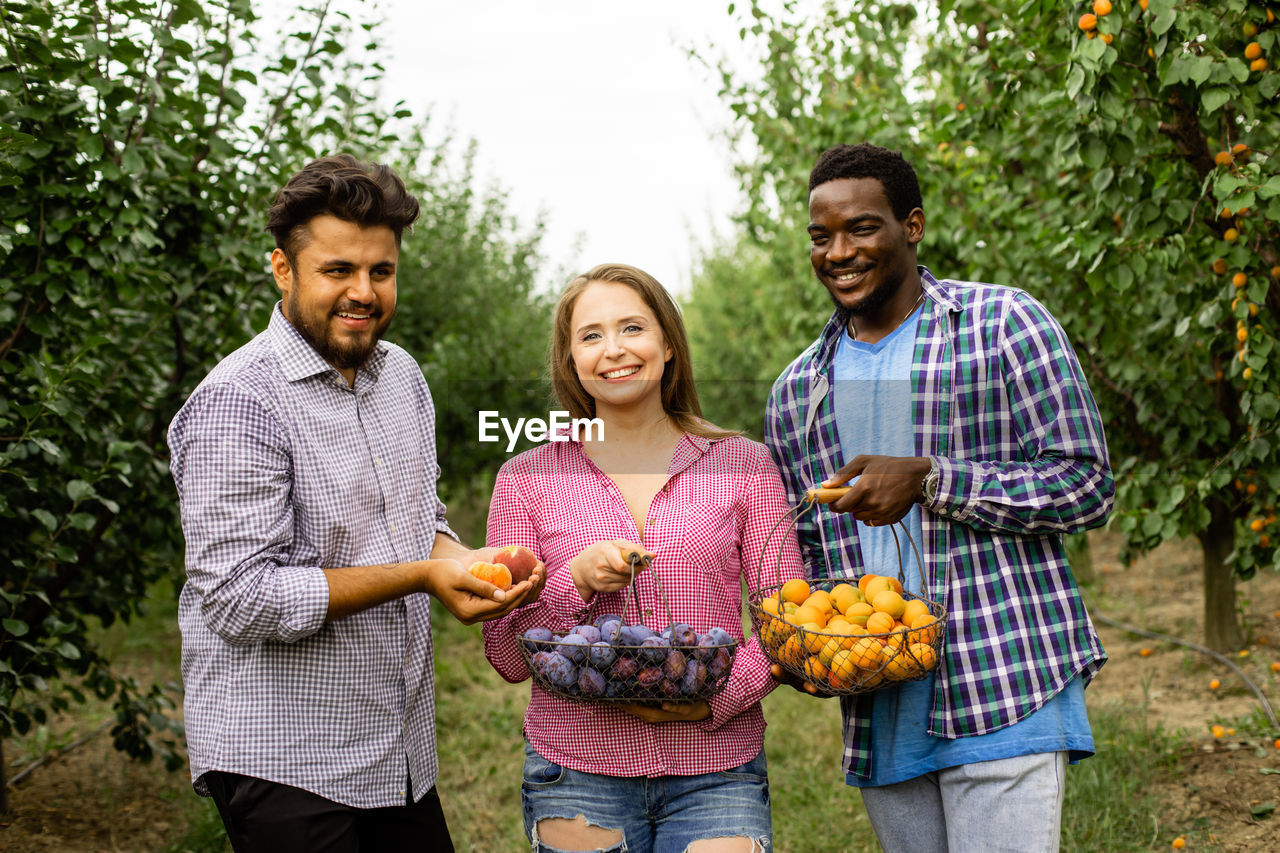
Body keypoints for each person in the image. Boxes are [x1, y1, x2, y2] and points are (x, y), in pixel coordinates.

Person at [167, 154, 544, 852]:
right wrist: (421, 577)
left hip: (392, 751)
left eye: (381, 271)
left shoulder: (400, 376)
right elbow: (240, 599)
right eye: (338, 270)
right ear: (283, 269)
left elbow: (416, 522)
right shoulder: (238, 403)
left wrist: (465, 562)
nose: (363, 291)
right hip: (283, 756)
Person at [764, 143, 1112, 852]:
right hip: (881, 703)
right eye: (821, 236)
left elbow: (1086, 485)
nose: (838, 251)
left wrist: (931, 478)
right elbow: (809, 552)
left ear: (912, 226)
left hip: (1003, 675)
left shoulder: (1003, 325)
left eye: (861, 228)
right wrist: (805, 646)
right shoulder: (797, 391)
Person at [482, 263, 804, 853]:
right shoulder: (526, 479)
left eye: (632, 327)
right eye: (591, 335)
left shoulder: (744, 464)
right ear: (571, 358)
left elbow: (788, 621)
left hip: (717, 765)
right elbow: (504, 654)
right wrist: (574, 582)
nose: (614, 350)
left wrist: (709, 705)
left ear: (667, 345)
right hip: (577, 766)